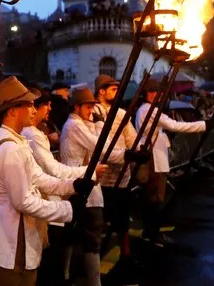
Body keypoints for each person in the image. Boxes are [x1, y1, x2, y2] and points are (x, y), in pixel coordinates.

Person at [0, 77, 88, 286]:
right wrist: (67, 209)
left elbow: (38, 177)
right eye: (28, 105)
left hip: (14, 233)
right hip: (11, 237)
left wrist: (72, 186)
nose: (34, 110)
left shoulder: (16, 141)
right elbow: (23, 201)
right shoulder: (11, 148)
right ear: (12, 111)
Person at [60, 87, 146, 286]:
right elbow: (100, 147)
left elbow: (102, 143)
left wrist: (99, 125)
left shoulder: (83, 123)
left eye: (92, 106)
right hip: (81, 183)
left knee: (75, 234)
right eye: (88, 107)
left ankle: (66, 275)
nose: (91, 110)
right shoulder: (74, 125)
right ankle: (87, 281)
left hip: (85, 184)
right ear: (76, 106)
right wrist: (127, 155)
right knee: (91, 237)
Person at [22, 89, 107, 286]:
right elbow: (51, 170)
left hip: (55, 197)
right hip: (46, 202)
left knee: (62, 247)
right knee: (53, 258)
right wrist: (88, 174)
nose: (49, 109)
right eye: (45, 105)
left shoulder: (36, 133)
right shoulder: (31, 135)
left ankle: (66, 276)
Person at [136, 78, 209, 245]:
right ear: (145, 94)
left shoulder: (147, 109)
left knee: (153, 199)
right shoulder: (149, 110)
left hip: (156, 157)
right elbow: (175, 126)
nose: (157, 95)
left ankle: (151, 232)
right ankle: (152, 234)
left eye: (158, 91)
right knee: (154, 199)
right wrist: (203, 125)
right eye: (152, 91)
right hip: (154, 159)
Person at [92, 74, 138, 274]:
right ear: (101, 91)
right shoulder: (94, 112)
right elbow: (98, 146)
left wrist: (137, 151)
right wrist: (123, 155)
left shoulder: (121, 113)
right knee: (99, 220)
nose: (116, 92)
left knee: (122, 218)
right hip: (101, 177)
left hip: (122, 176)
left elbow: (131, 138)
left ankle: (125, 256)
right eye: (112, 89)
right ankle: (93, 258)